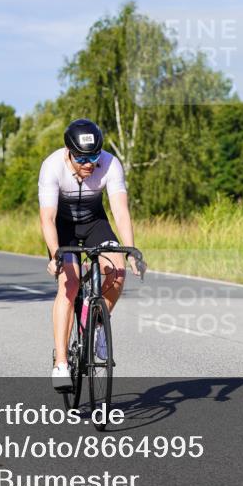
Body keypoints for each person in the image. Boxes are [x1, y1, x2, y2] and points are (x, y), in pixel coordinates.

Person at [38, 119, 143, 391]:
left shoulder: (110, 164)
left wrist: (130, 250)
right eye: (82, 158)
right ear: (68, 152)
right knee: (70, 285)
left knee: (117, 272)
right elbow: (47, 218)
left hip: (95, 222)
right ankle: (61, 362)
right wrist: (55, 255)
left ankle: (96, 323)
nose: (89, 164)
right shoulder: (52, 167)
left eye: (94, 156)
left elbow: (120, 211)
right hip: (64, 227)